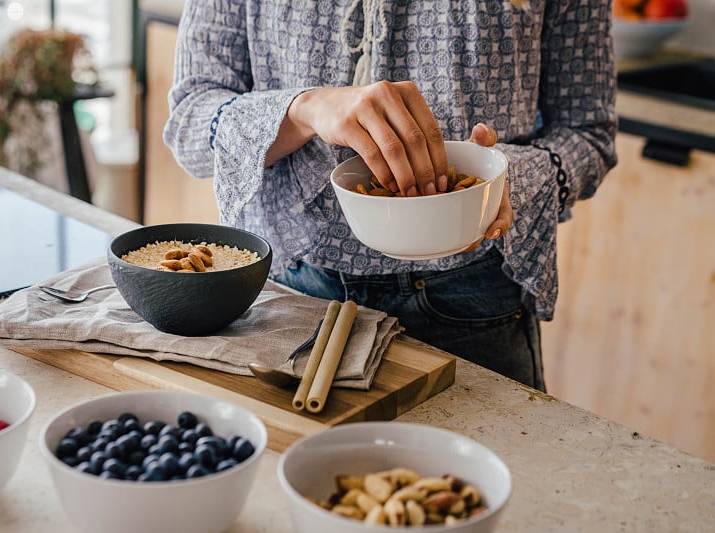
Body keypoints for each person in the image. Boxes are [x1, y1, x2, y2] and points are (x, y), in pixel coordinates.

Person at [163, 0, 618, 392]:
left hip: (473, 300)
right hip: (292, 294)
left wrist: (505, 177)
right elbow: (189, 122)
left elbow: (589, 131)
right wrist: (304, 109)